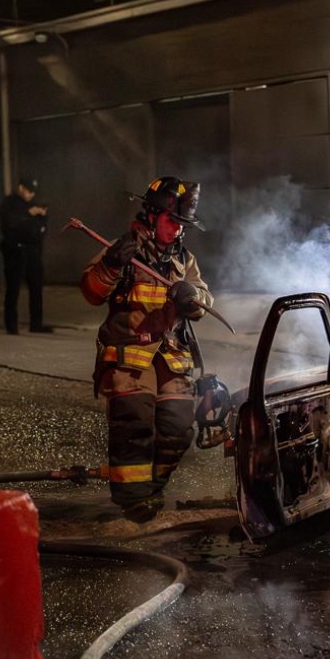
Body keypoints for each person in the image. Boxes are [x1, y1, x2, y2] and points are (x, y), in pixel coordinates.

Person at [80, 176, 213, 523]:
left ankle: (152, 487)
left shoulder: (184, 259)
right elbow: (92, 291)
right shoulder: (125, 248)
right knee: (135, 423)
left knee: (179, 428)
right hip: (129, 357)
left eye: (182, 225)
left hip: (170, 355)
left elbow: (204, 299)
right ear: (152, 216)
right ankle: (134, 500)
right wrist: (111, 264)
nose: (177, 231)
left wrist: (192, 298)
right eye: (172, 222)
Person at [0, 177, 51, 334]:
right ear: (21, 188)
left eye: (32, 192)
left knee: (36, 288)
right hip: (16, 251)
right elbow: (10, 223)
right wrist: (29, 213)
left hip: (32, 251)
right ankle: (11, 325)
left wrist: (41, 217)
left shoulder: (33, 204)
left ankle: (36, 323)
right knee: (13, 289)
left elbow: (39, 229)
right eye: (28, 191)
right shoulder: (10, 203)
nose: (31, 195)